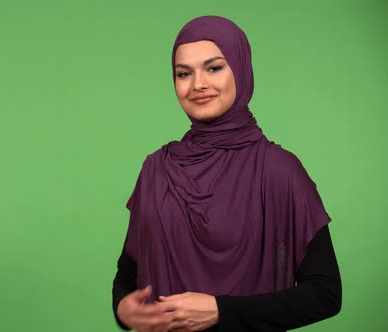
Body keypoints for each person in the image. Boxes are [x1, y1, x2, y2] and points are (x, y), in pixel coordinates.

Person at [111, 16, 342, 332]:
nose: (198, 84)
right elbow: (129, 268)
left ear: (241, 69)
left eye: (214, 68)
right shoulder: (156, 169)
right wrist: (124, 308)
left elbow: (325, 294)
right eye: (183, 73)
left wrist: (222, 310)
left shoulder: (277, 170)